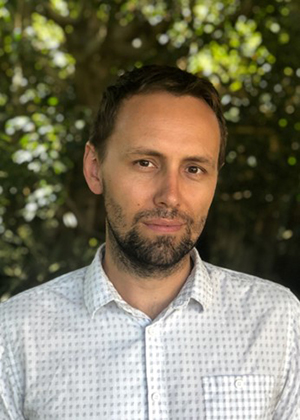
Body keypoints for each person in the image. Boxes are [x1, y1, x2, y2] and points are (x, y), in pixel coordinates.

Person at [0, 65, 299, 420]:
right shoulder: (15, 334)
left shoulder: (279, 322)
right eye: (145, 162)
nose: (170, 196)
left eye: (193, 169)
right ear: (95, 168)